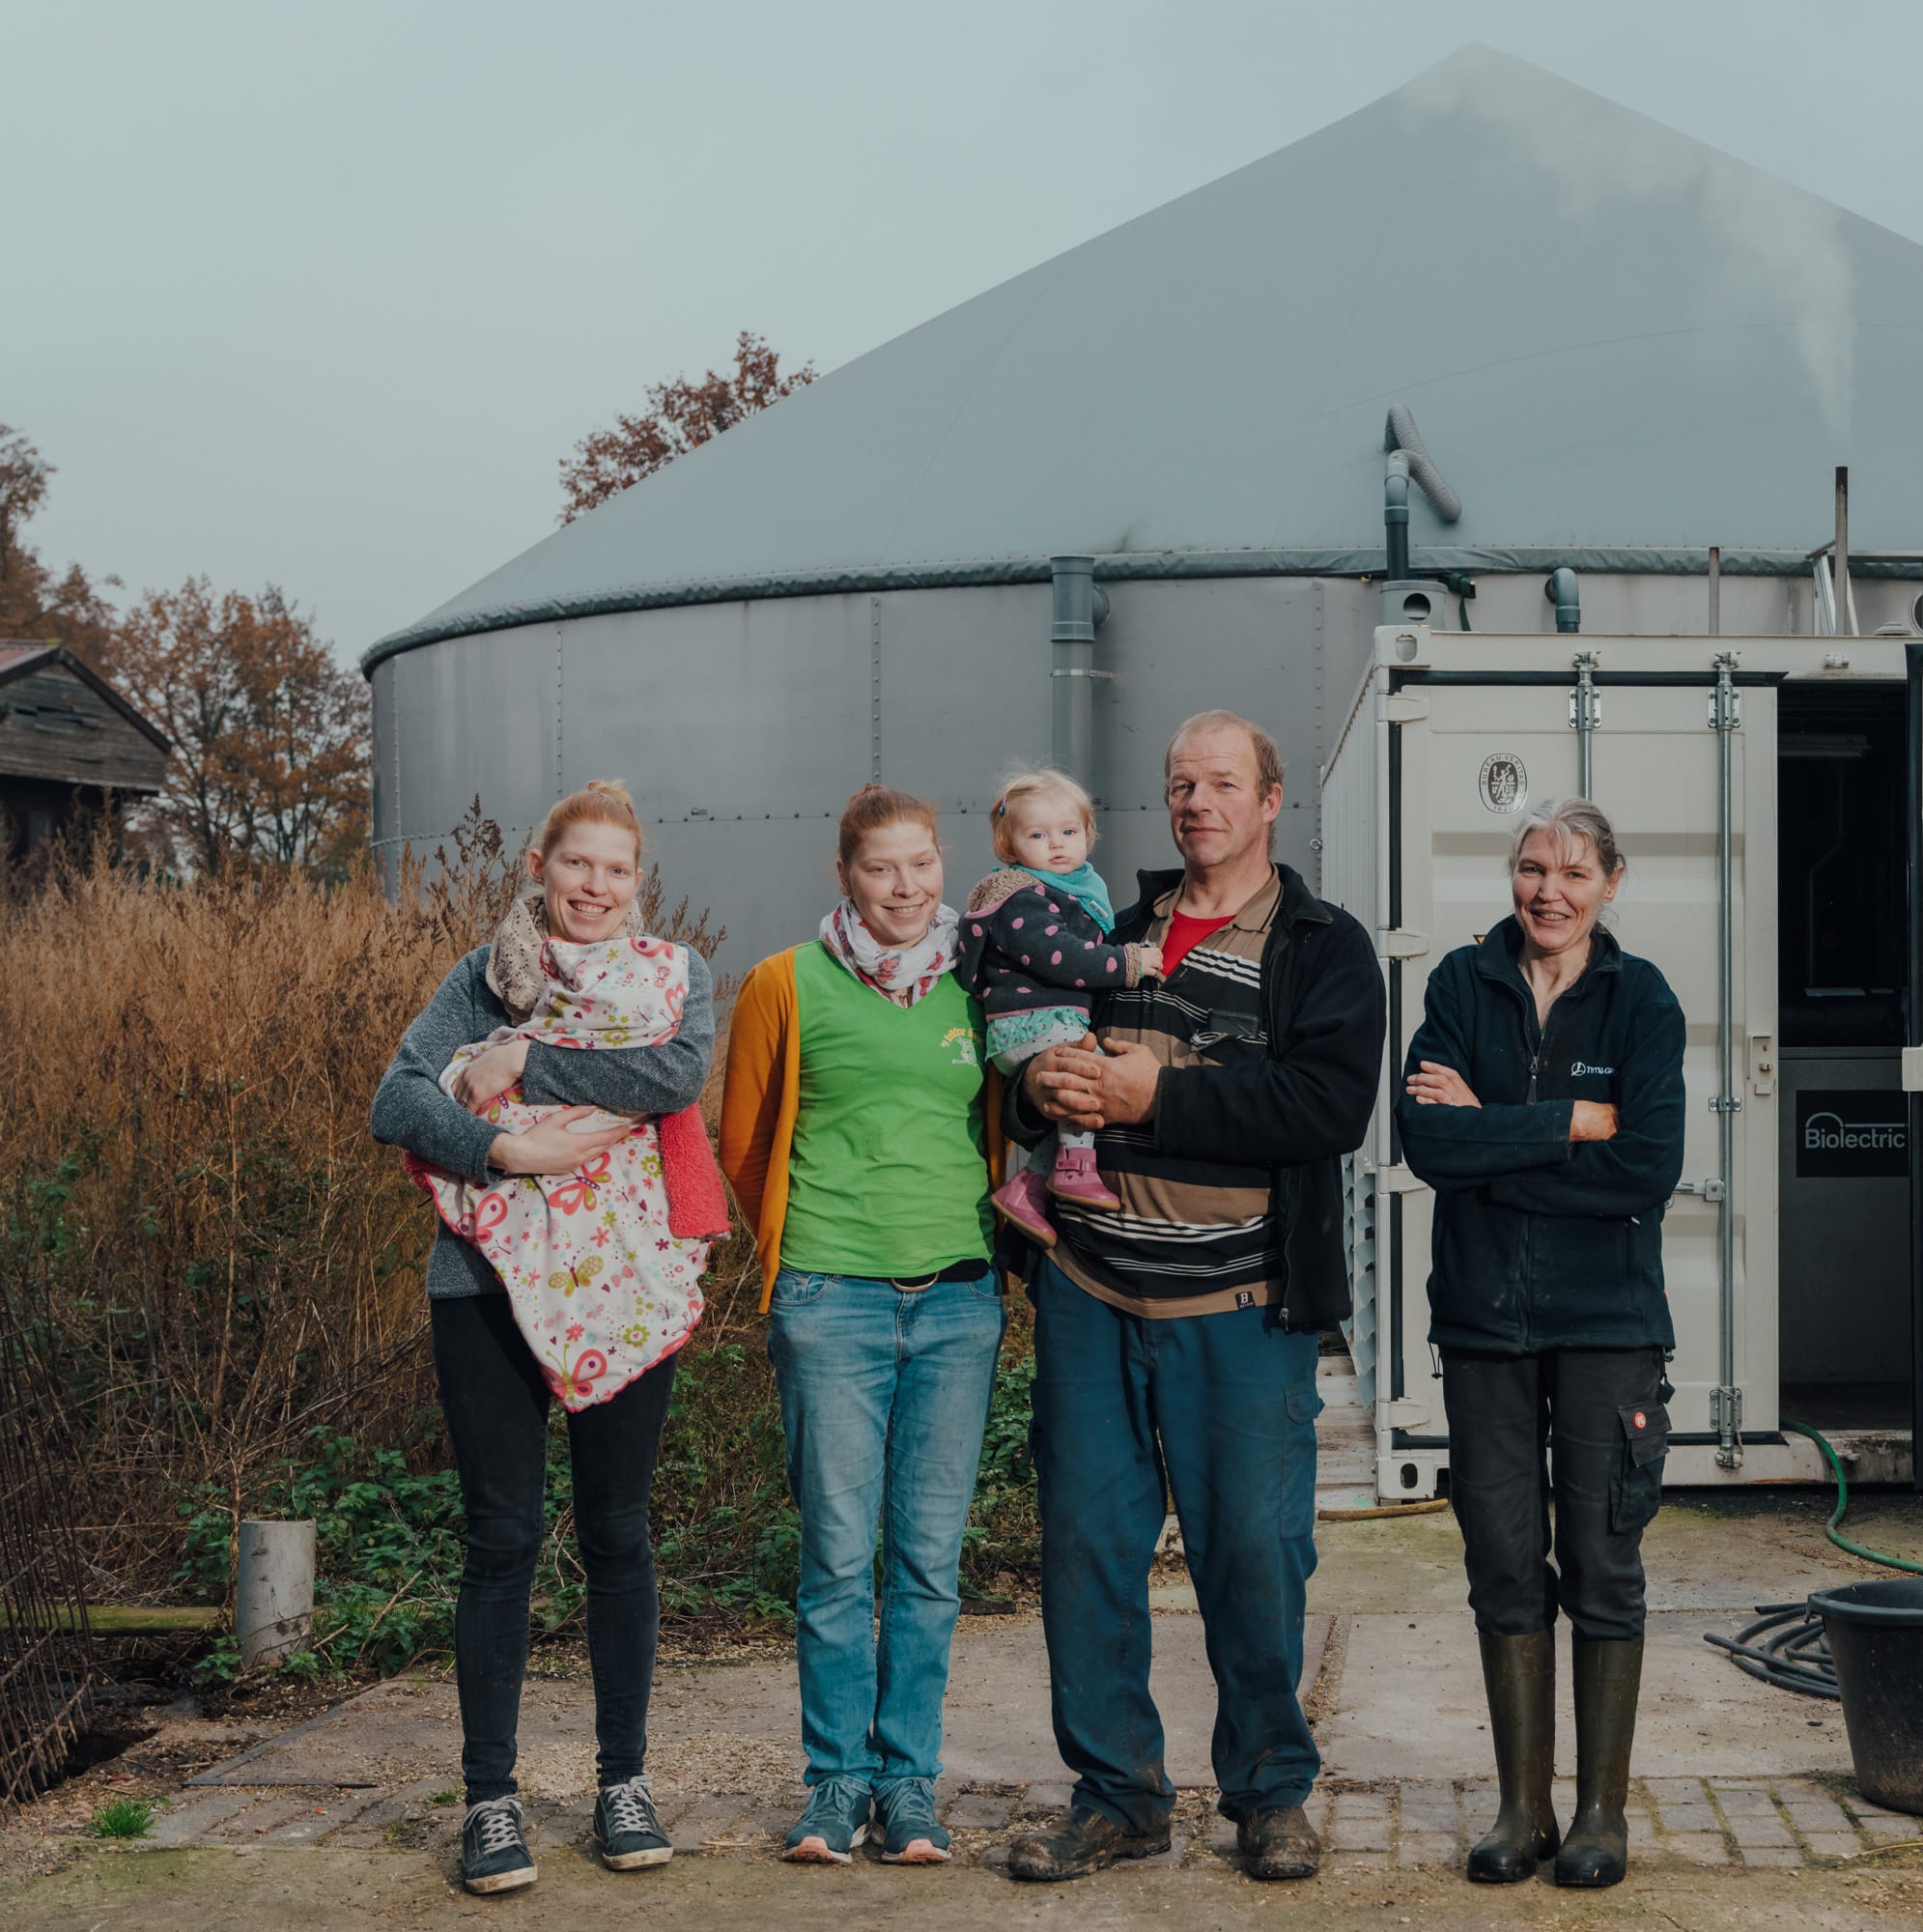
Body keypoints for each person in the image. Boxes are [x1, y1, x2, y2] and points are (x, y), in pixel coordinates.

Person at [1001, 710, 1381, 1884]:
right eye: (1179, 783)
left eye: (1222, 782)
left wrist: (1147, 1095)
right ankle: (1118, 1793)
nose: (1197, 801)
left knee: (1256, 1556)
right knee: (1088, 1552)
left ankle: (1268, 1790)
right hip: (1091, 1289)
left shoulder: (1321, 945)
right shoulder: (1112, 931)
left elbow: (1326, 1107)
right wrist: (1038, 1080)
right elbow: (1030, 1061)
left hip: (1238, 1305)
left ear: (1271, 801)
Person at [371, 779, 724, 1896]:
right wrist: (505, 1154)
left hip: (626, 1278)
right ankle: (491, 1798)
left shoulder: (672, 976)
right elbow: (397, 1098)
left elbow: (673, 1075)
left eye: (617, 869)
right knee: (503, 1534)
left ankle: (624, 1781)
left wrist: (523, 1064)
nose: (596, 885)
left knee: (618, 1529)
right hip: (483, 1281)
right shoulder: (486, 976)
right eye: (577, 864)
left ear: (638, 882)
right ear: (539, 865)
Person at [1396, 799, 1686, 1889]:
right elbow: (1430, 1139)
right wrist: (1569, 1120)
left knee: (1604, 1561)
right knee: (1503, 1558)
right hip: (1484, 1321)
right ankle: (1523, 1808)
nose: (1547, 891)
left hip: (1609, 1321)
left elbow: (1647, 1166)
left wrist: (1495, 1134)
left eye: (1572, 870)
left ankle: (1601, 1813)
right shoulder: (1459, 984)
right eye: (1530, 868)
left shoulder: (1642, 998)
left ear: (1612, 879)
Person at [718, 783, 1006, 1867]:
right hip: (829, 1298)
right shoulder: (785, 982)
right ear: (844, 874)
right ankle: (835, 1783)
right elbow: (744, 1143)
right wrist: (805, 1257)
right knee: (839, 1556)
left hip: (957, 1300)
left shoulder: (978, 984)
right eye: (883, 867)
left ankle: (911, 1785)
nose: (907, 886)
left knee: (928, 1561)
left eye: (923, 863)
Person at [959, 767, 1163, 1245]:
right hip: (1029, 1022)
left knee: (1065, 1098)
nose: (1057, 845)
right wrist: (1127, 963)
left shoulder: (1071, 888)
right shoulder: (1020, 897)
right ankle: (1075, 1169)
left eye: (1069, 832)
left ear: (1088, 835)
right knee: (1084, 1074)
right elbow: (1061, 958)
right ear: (1010, 847)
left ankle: (1028, 1188)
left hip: (1044, 1020)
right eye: (1038, 835)